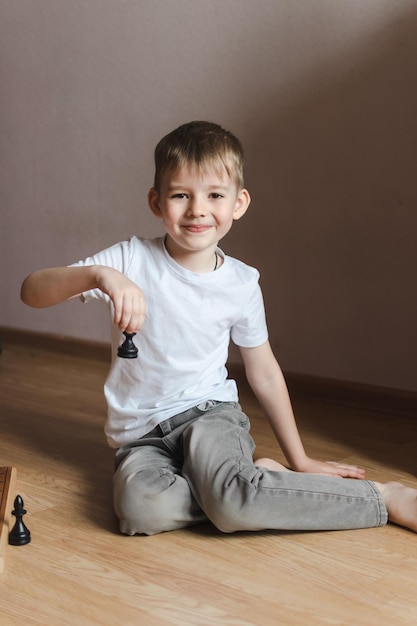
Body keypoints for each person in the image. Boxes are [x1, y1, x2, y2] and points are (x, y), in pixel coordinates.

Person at [21, 120, 417, 536]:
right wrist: (99, 275)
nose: (197, 210)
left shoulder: (242, 282)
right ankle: (248, 486)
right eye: (180, 195)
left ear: (238, 203)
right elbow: (31, 291)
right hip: (140, 435)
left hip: (209, 415)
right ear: (157, 202)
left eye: (214, 195)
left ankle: (382, 498)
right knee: (141, 511)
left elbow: (263, 371)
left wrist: (299, 458)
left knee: (228, 499)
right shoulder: (129, 260)